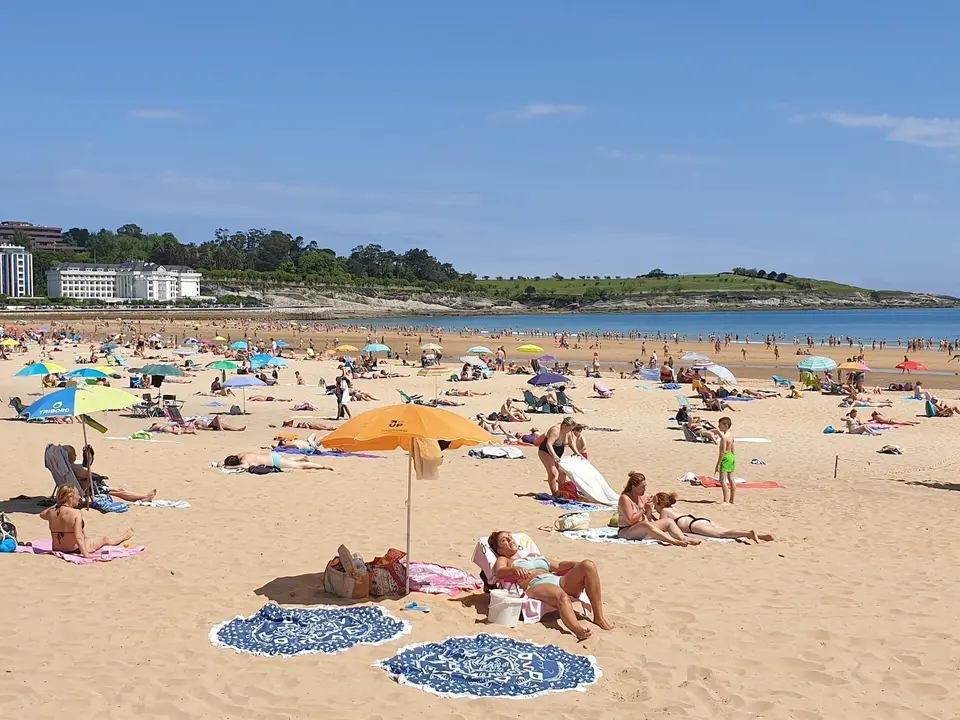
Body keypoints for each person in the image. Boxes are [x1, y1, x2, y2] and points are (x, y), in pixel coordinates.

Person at [488, 530, 613, 641]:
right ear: (499, 550)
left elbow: (558, 566)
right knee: (562, 597)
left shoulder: (533, 556)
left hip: (557, 579)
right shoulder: (505, 560)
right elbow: (499, 572)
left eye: (510, 536)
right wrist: (513, 569)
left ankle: (599, 617)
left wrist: (576, 565)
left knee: (588, 565)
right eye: (504, 540)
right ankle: (579, 631)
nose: (509, 539)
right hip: (537, 583)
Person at [41, 485, 135, 558]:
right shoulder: (76, 513)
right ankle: (124, 537)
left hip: (57, 548)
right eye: (77, 494)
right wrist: (86, 555)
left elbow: (42, 514)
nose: (79, 497)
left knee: (88, 538)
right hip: (74, 549)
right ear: (70, 497)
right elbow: (78, 538)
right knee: (104, 539)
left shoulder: (51, 512)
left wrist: (57, 503)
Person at [652, 492, 775, 543]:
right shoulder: (673, 509)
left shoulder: (665, 511)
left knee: (722, 534)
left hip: (694, 526)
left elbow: (660, 526)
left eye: (655, 506)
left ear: (660, 504)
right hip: (698, 520)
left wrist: (648, 514)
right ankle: (760, 535)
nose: (655, 509)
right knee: (725, 530)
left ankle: (748, 533)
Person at [616, 472, 698, 546]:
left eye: (645, 486)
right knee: (645, 524)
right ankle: (673, 541)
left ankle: (683, 538)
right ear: (633, 487)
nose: (644, 489)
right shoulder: (625, 498)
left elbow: (648, 515)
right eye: (642, 487)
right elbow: (630, 520)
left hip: (642, 527)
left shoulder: (641, 496)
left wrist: (651, 504)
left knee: (669, 521)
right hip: (627, 530)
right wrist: (643, 509)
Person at [67, 446, 156, 502]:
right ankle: (145, 497)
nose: (76, 455)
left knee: (119, 490)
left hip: (90, 485)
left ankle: (143, 496)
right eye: (74, 454)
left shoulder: (68, 466)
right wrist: (97, 474)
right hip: (91, 487)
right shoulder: (76, 467)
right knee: (120, 492)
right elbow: (90, 476)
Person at [538, 417, 577, 496]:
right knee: (553, 473)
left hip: (558, 453)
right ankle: (554, 493)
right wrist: (554, 456)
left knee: (562, 472)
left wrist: (576, 452)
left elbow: (571, 442)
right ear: (565, 425)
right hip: (546, 452)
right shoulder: (555, 430)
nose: (570, 431)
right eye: (570, 429)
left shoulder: (568, 432)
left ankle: (561, 491)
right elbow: (549, 444)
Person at [222, 451, 334, 471]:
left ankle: (322, 466)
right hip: (271, 456)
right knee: (287, 461)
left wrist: (229, 467)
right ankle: (300, 457)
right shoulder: (241, 454)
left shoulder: (245, 461)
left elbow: (245, 467)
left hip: (274, 461)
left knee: (299, 466)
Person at [715, 416, 737, 504]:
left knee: (722, 480)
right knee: (731, 479)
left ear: (726, 426)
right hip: (731, 457)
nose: (719, 427)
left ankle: (726, 500)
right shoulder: (731, 436)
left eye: (720, 425)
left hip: (726, 457)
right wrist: (733, 458)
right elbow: (733, 449)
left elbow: (722, 452)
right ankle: (732, 499)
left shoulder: (724, 438)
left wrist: (717, 465)